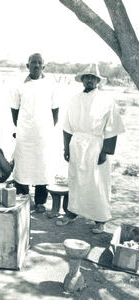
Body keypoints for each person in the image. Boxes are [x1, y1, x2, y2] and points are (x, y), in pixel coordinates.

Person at [57, 64, 125, 233]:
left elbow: (113, 128)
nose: (89, 80)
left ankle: (100, 219)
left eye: (93, 78)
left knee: (97, 183)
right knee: (76, 180)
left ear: (97, 81)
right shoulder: (74, 100)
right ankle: (72, 212)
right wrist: (66, 148)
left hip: (96, 145)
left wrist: (105, 151)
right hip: (77, 144)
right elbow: (67, 128)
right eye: (87, 77)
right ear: (82, 80)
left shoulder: (106, 101)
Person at [10, 53, 59, 213]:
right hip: (24, 134)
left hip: (43, 135)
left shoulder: (51, 85)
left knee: (41, 167)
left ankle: (40, 202)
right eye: (33, 63)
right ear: (27, 65)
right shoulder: (19, 85)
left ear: (44, 66)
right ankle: (23, 198)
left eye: (39, 63)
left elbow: (55, 110)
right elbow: (14, 110)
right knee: (23, 165)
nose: (36, 65)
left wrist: (46, 128)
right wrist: (23, 127)